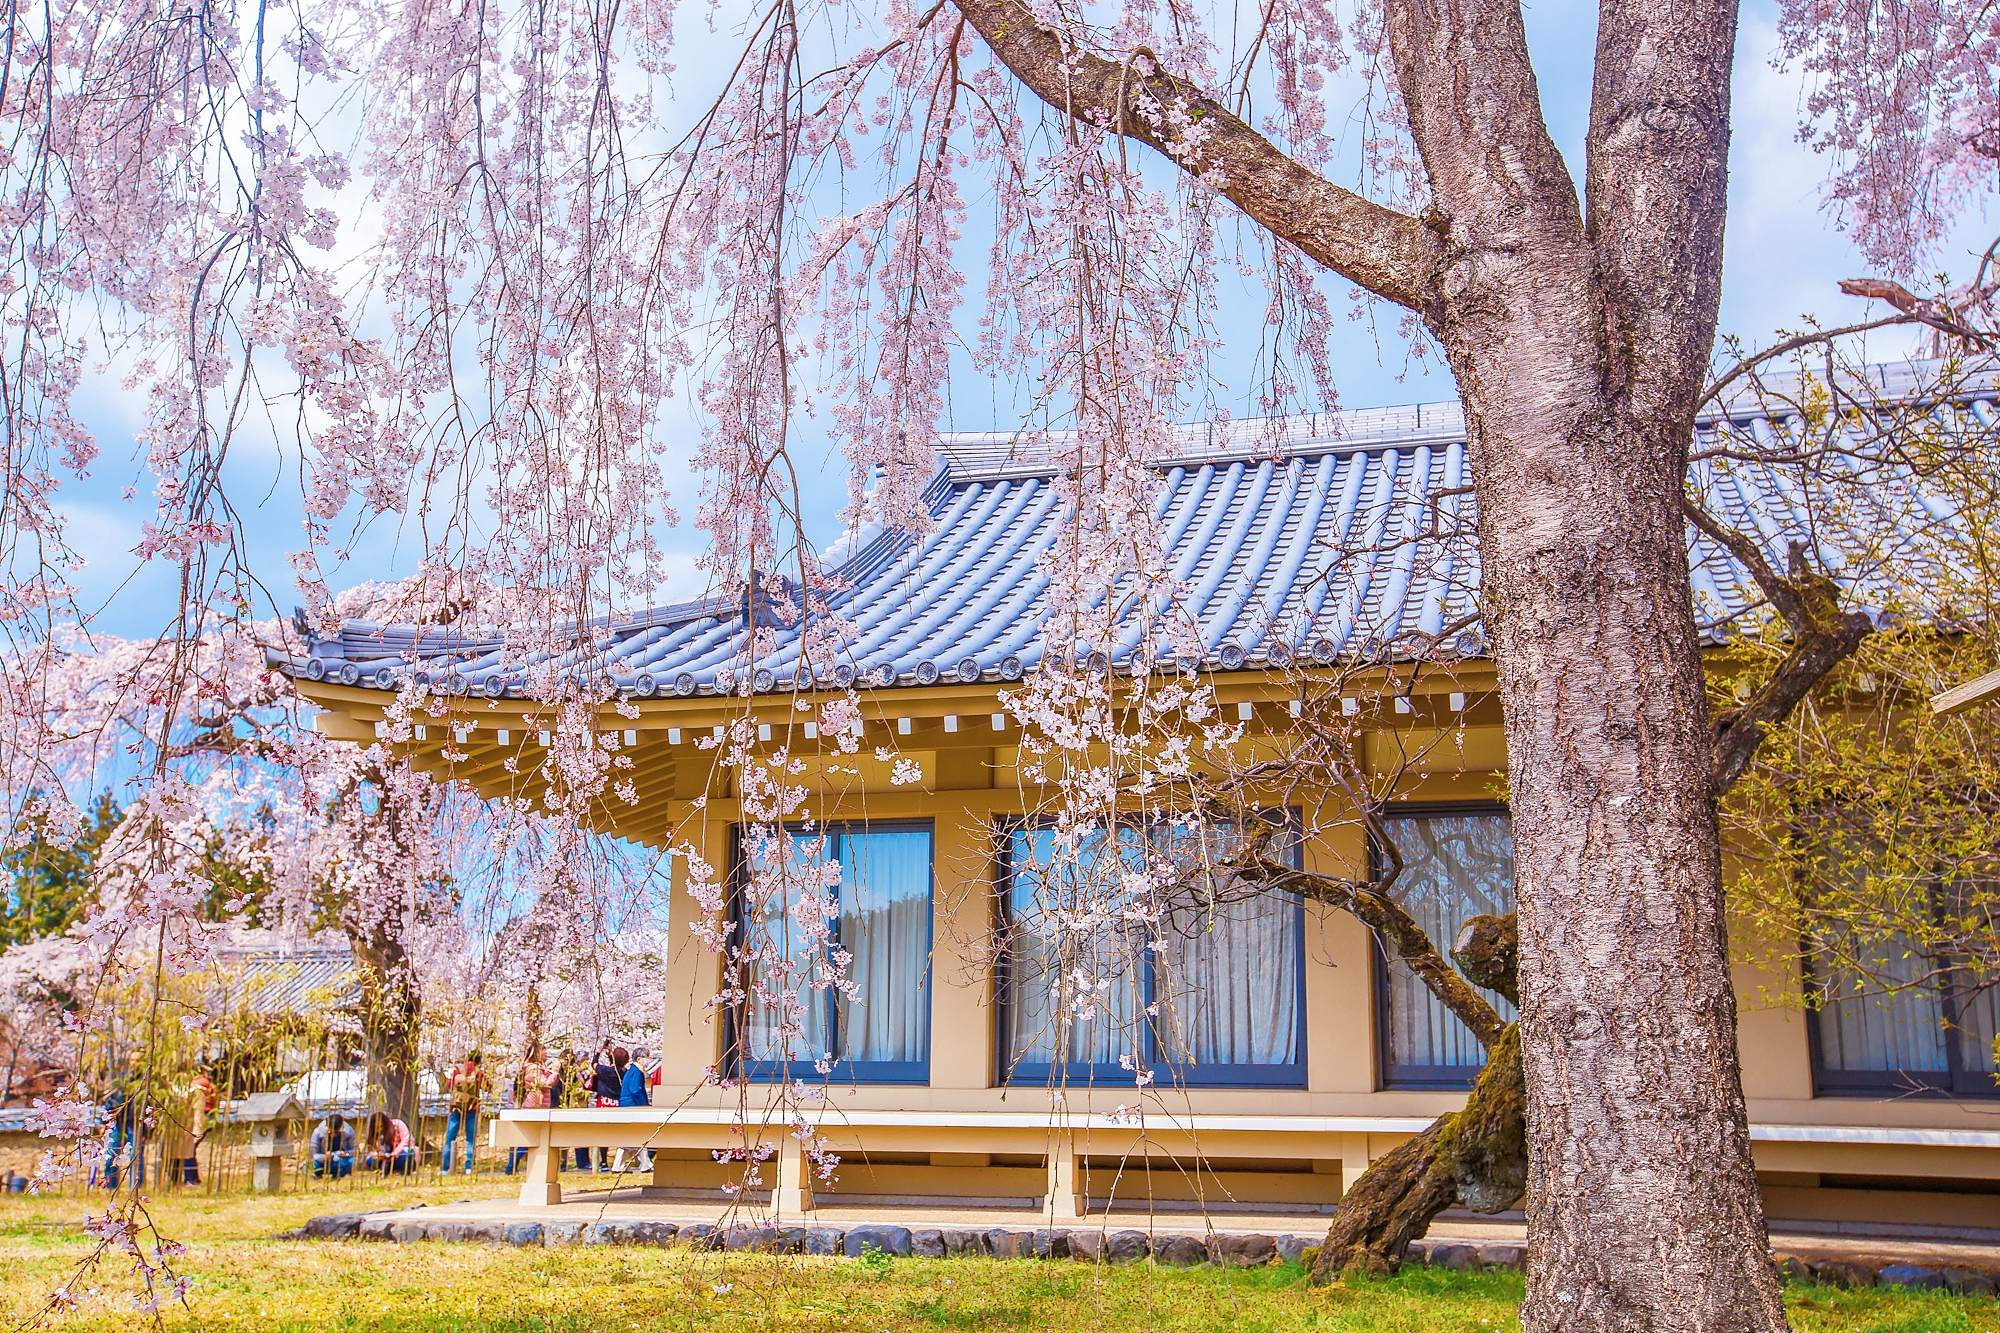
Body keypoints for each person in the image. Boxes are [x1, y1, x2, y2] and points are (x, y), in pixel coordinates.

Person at [506, 1042, 555, 1174]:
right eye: (543, 1051)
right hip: (533, 1107)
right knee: (528, 1139)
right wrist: (555, 1072)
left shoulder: (538, 1067)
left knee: (533, 1139)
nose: (546, 1053)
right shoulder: (533, 1069)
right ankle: (511, 1167)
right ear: (537, 1054)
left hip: (538, 1107)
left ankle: (524, 1167)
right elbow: (545, 1084)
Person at [443, 1049, 490, 1175]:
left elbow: (449, 1084)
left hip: (455, 1107)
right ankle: (469, 1167)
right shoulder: (479, 1072)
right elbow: (488, 1087)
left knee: (450, 1138)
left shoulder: (458, 1070)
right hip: (472, 1108)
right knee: (470, 1139)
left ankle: (445, 1167)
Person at [590, 1044, 621, 1171]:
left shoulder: (604, 1071)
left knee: (603, 1132)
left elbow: (594, 1064)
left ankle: (603, 1161)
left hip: (603, 1102)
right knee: (617, 1132)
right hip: (616, 1103)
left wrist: (598, 1052)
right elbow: (616, 1066)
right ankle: (620, 1161)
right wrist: (610, 1056)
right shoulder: (623, 1072)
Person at [364, 1110, 415, 1176]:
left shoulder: (398, 1124)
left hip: (399, 1155)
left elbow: (406, 1139)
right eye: (377, 1128)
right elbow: (373, 1149)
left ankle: (403, 1171)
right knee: (369, 1160)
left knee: (408, 1153)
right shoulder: (377, 1135)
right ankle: (383, 1171)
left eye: (381, 1126)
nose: (380, 1129)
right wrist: (377, 1155)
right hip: (384, 1159)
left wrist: (395, 1153)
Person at [311, 1114, 356, 1178]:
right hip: (324, 1162)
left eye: (336, 1132)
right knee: (314, 1163)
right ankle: (318, 1175)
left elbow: (354, 1151)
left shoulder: (349, 1132)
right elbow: (313, 1154)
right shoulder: (318, 1132)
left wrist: (346, 1154)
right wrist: (324, 1157)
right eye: (330, 1132)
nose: (333, 1135)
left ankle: (340, 1174)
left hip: (340, 1161)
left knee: (351, 1161)